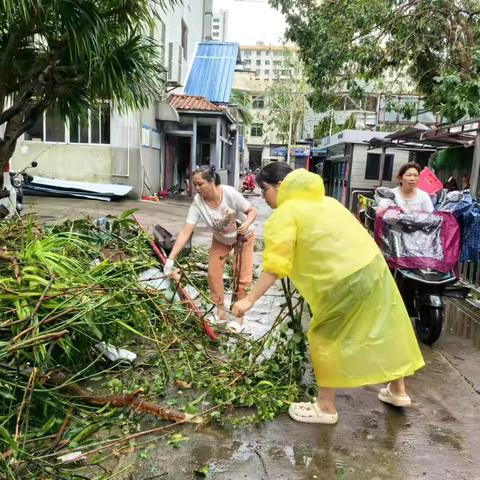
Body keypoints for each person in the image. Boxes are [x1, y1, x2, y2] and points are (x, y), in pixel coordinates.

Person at [231, 163, 425, 424]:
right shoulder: (329, 202)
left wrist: (248, 300)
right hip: (373, 267)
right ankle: (398, 391)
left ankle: (325, 407)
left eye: (264, 190)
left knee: (324, 336)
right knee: (387, 327)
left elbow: (276, 266)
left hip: (340, 279)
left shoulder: (285, 214)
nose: (264, 198)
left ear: (280, 186)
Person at [164, 165, 257, 332]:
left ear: (212, 181)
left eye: (200, 184)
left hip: (243, 237)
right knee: (213, 276)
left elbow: (251, 210)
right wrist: (171, 258)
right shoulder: (198, 203)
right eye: (194, 184)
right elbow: (186, 230)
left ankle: (238, 318)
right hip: (221, 239)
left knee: (242, 280)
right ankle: (221, 315)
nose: (196, 188)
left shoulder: (228, 193)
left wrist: (247, 224)